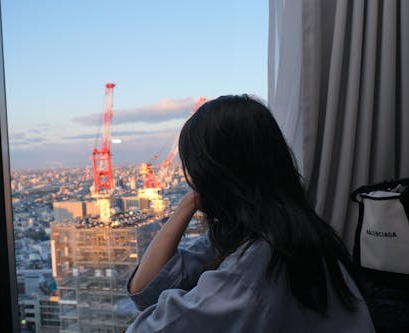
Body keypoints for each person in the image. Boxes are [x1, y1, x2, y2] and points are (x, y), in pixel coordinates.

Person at [125, 95, 374, 332]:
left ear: (215, 173)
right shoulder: (281, 230)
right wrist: (187, 204)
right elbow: (145, 290)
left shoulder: (258, 265)